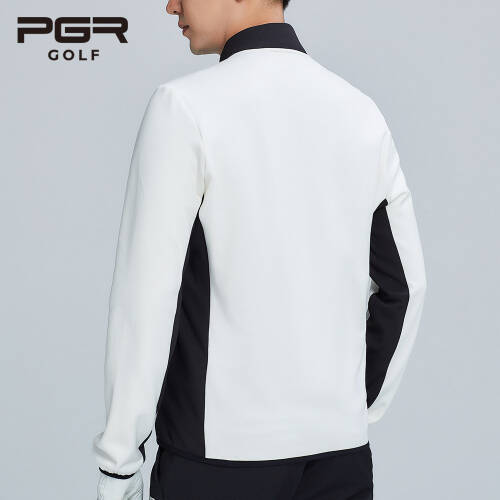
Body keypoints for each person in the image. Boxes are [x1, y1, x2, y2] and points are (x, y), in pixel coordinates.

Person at [93, 1, 427, 499]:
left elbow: (146, 300)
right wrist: (350, 410)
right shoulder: (361, 112)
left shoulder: (183, 107)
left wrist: (119, 466)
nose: (171, 5)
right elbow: (405, 287)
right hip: (340, 458)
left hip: (216, 461)